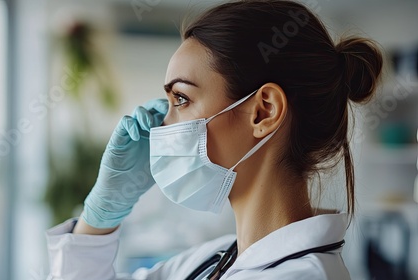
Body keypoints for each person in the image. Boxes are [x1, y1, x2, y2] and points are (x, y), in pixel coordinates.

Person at [46, 0, 383, 279]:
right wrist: (99, 216)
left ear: (263, 112)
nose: (161, 127)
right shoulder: (213, 260)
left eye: (181, 99)